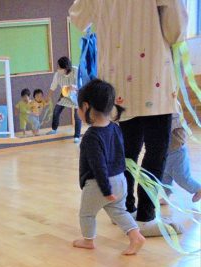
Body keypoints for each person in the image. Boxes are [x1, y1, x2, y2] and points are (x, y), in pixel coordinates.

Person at [69, 0, 188, 237]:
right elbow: (175, 30)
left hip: (117, 80)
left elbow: (78, 17)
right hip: (154, 77)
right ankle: (145, 217)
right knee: (156, 152)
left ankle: (124, 210)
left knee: (126, 152)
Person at [73, 79, 146, 255]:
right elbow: (121, 155)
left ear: (86, 106)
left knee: (87, 214)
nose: (77, 111)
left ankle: (88, 241)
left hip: (99, 184)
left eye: (78, 107)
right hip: (120, 179)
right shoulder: (115, 127)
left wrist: (106, 189)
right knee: (118, 211)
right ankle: (136, 236)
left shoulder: (91, 137)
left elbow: (98, 166)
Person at [161, 113, 201, 203]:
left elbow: (178, 127)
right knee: (164, 176)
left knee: (181, 177)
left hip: (177, 152)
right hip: (166, 152)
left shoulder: (174, 116)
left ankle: (198, 189)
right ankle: (166, 196)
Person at [46, 56, 82, 143]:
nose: (57, 69)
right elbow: (53, 87)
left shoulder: (76, 71)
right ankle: (54, 129)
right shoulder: (57, 75)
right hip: (64, 94)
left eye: (59, 67)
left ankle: (77, 136)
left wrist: (74, 87)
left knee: (77, 116)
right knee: (56, 111)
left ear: (65, 68)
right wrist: (48, 97)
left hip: (76, 95)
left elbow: (82, 85)